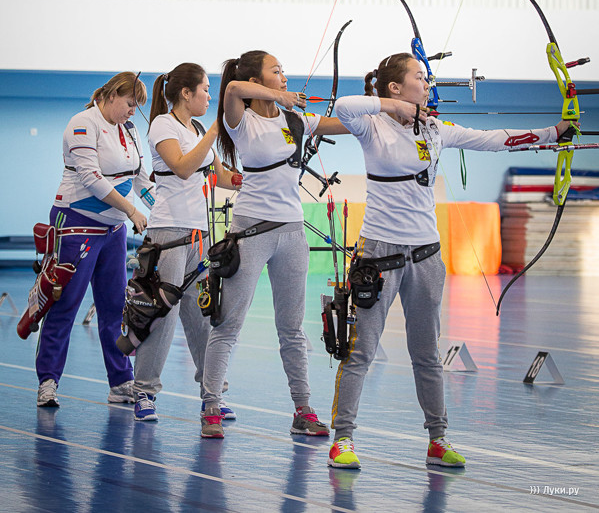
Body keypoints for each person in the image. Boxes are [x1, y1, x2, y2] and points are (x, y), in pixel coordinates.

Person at [327, 53, 573, 470]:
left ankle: (438, 440)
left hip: (426, 254)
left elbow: (493, 139)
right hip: (380, 254)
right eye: (419, 77)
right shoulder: (371, 125)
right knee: (361, 351)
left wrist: (554, 132)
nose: (428, 84)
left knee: (427, 353)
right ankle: (343, 439)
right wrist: (393, 106)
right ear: (395, 88)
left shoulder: (434, 129)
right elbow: (342, 106)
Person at [200, 50, 349, 439]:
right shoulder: (240, 119)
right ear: (257, 80)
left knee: (292, 328)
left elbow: (341, 124)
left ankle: (303, 410)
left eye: (284, 71)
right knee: (228, 323)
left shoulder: (294, 120)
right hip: (251, 231)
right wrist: (281, 97)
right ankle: (211, 406)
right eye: (276, 70)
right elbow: (232, 89)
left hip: (292, 232)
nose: (284, 76)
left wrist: (387, 114)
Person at [36, 72, 154, 407]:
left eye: (136, 107)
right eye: (129, 103)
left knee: (115, 307)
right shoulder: (82, 123)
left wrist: (161, 211)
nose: (132, 111)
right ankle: (48, 381)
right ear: (112, 95)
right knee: (65, 303)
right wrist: (132, 210)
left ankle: (120, 382)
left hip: (112, 231)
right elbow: (91, 178)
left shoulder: (129, 129)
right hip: (76, 225)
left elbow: (140, 178)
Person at [132, 63, 241, 423]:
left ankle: (213, 392)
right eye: (205, 90)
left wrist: (257, 177)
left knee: (203, 316)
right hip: (168, 233)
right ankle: (144, 391)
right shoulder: (163, 125)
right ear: (185, 93)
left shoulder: (197, 129)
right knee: (162, 313)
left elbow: (220, 174)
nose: (210, 97)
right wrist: (216, 129)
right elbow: (182, 167)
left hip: (200, 236)